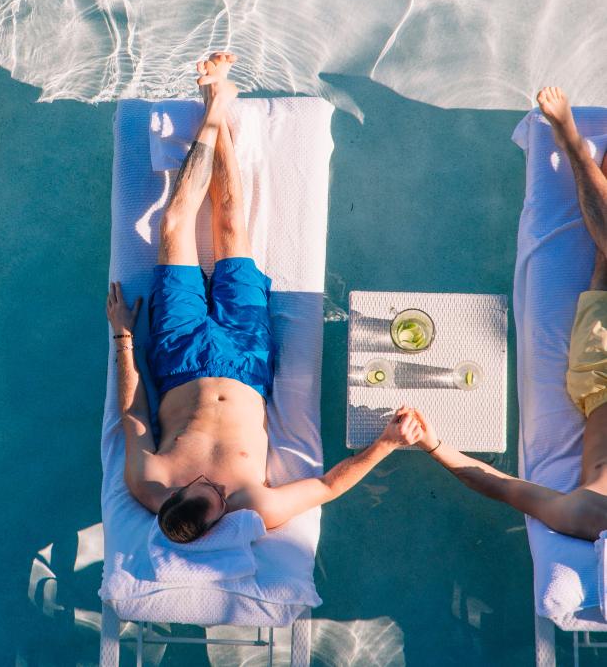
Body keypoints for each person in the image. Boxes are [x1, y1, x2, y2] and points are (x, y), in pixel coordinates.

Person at [106, 51, 420, 544]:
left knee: (172, 225)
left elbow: (132, 414)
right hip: (246, 356)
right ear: (219, 520)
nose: (212, 484)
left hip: (178, 354)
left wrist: (124, 336)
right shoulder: (251, 504)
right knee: (231, 224)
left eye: (201, 485)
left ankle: (214, 112)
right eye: (215, 495)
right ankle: (219, 104)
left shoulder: (151, 483)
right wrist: (387, 444)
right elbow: (324, 486)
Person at [410, 86, 607, 541]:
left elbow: (503, 487)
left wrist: (433, 445)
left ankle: (573, 145)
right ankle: (574, 147)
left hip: (600, 375)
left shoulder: (586, 517)